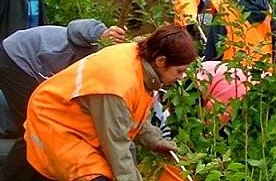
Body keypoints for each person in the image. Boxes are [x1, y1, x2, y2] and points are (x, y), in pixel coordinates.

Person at [24, 25, 197, 181]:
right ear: (161, 61)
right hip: (54, 121)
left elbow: (129, 114)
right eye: (179, 71)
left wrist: (153, 139)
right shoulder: (117, 85)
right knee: (95, 176)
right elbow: (117, 148)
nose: (181, 77)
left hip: (77, 119)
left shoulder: (139, 58)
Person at [0, 19, 125, 180]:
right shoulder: (91, 46)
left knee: (44, 139)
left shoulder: (63, 84)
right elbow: (75, 27)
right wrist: (102, 32)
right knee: (41, 137)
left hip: (19, 63)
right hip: (13, 58)